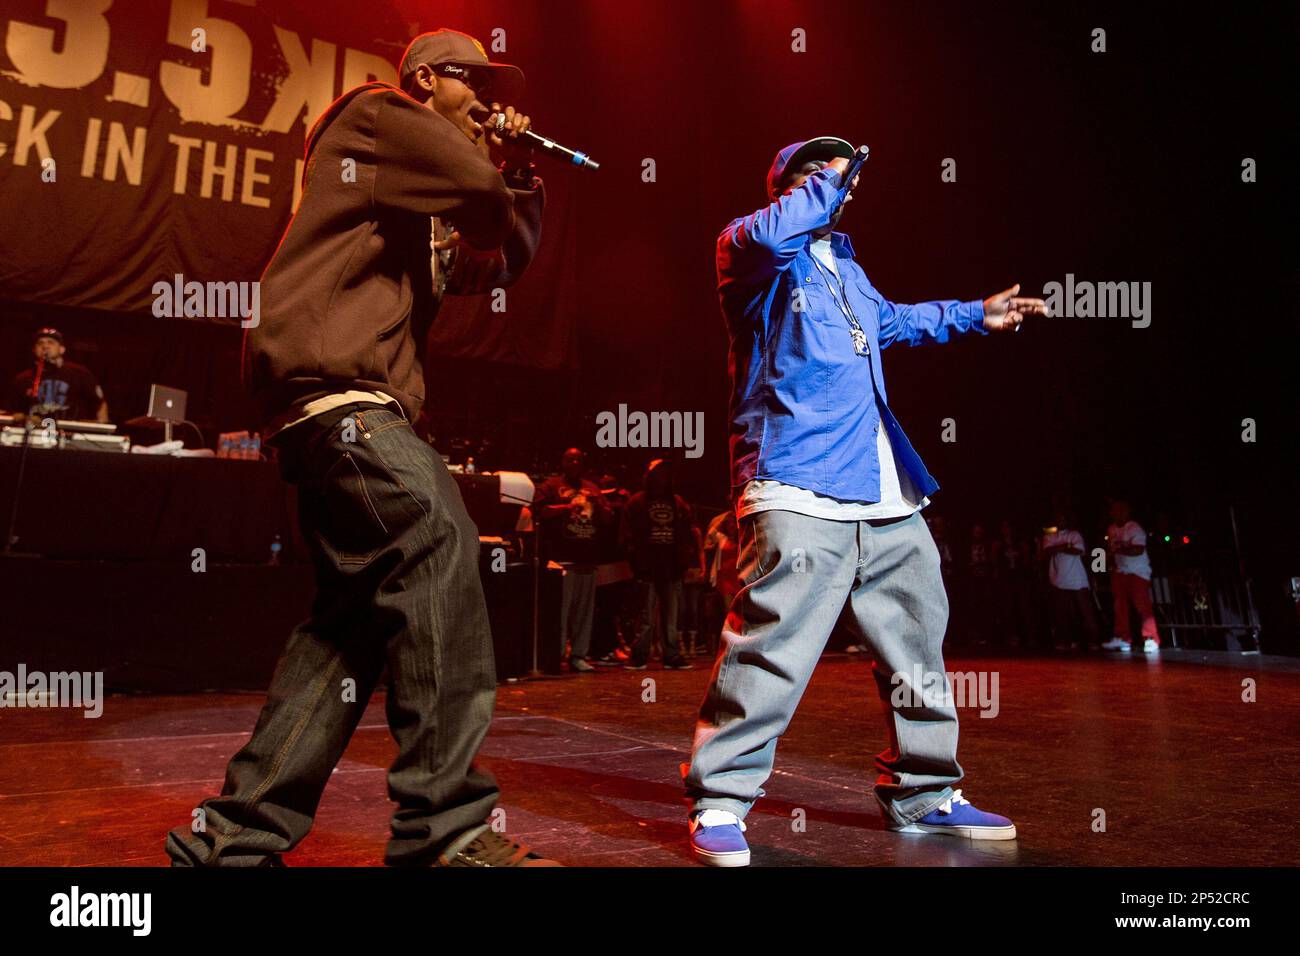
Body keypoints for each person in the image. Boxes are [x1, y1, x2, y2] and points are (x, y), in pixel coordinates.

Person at [165, 29, 555, 867]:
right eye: (472, 85)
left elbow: (494, 259)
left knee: (346, 631)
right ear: (426, 80)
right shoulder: (377, 115)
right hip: (339, 402)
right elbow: (480, 199)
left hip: (344, 411)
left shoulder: (413, 205)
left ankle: (234, 837)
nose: (487, 100)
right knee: (440, 540)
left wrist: (522, 179)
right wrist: (496, 165)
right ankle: (445, 833)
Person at [684, 136, 1048, 866]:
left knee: (917, 648)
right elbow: (773, 230)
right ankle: (720, 801)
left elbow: (897, 323)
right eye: (812, 172)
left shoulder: (847, 267)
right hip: (797, 482)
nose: (830, 181)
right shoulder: (750, 252)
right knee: (772, 649)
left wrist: (976, 312)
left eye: (836, 173)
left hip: (885, 491)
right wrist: (832, 178)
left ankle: (926, 793)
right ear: (787, 186)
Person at [536, 448, 610, 672]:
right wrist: (567, 507)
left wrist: (599, 503)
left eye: (579, 459)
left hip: (588, 558)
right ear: (563, 462)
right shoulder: (551, 486)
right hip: (562, 559)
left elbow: (608, 518)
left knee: (584, 613)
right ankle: (555, 656)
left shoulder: (592, 488)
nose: (575, 462)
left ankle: (578, 655)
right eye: (570, 459)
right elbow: (539, 511)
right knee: (560, 612)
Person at [620, 458, 699, 670]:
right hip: (647, 567)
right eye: (658, 473)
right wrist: (635, 562)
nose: (662, 478)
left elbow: (687, 533)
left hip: (672, 567)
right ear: (650, 476)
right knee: (645, 616)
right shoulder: (637, 502)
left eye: (665, 473)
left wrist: (687, 562)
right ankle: (639, 655)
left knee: (670, 616)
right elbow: (627, 535)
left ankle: (671, 655)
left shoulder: (678, 502)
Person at [8, 328, 108, 422]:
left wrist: (102, 433)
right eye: (40, 343)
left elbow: (99, 403)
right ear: (34, 350)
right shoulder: (23, 378)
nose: (45, 346)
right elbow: (15, 410)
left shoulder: (80, 373)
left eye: (51, 342)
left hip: (69, 434)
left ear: (62, 349)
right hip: (35, 434)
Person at [1103, 499, 1160, 655]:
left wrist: (1119, 551)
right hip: (1121, 572)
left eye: (1119, 510)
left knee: (1142, 605)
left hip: (1138, 572)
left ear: (1126, 512)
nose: (1115, 513)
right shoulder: (1111, 529)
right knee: (1119, 606)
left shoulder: (1134, 528)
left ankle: (1151, 638)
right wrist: (1106, 566)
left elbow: (1138, 550)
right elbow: (1109, 552)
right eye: (1113, 510)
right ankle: (1123, 638)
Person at [1040, 512, 1100, 650]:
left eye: (1063, 518)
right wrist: (1065, 546)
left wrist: (1059, 548)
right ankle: (1065, 640)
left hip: (1077, 579)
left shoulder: (1074, 534)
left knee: (1085, 612)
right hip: (1058, 580)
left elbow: (1078, 550)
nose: (1060, 520)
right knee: (1062, 613)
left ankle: (1092, 641)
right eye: (1058, 518)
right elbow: (1047, 551)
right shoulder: (1050, 536)